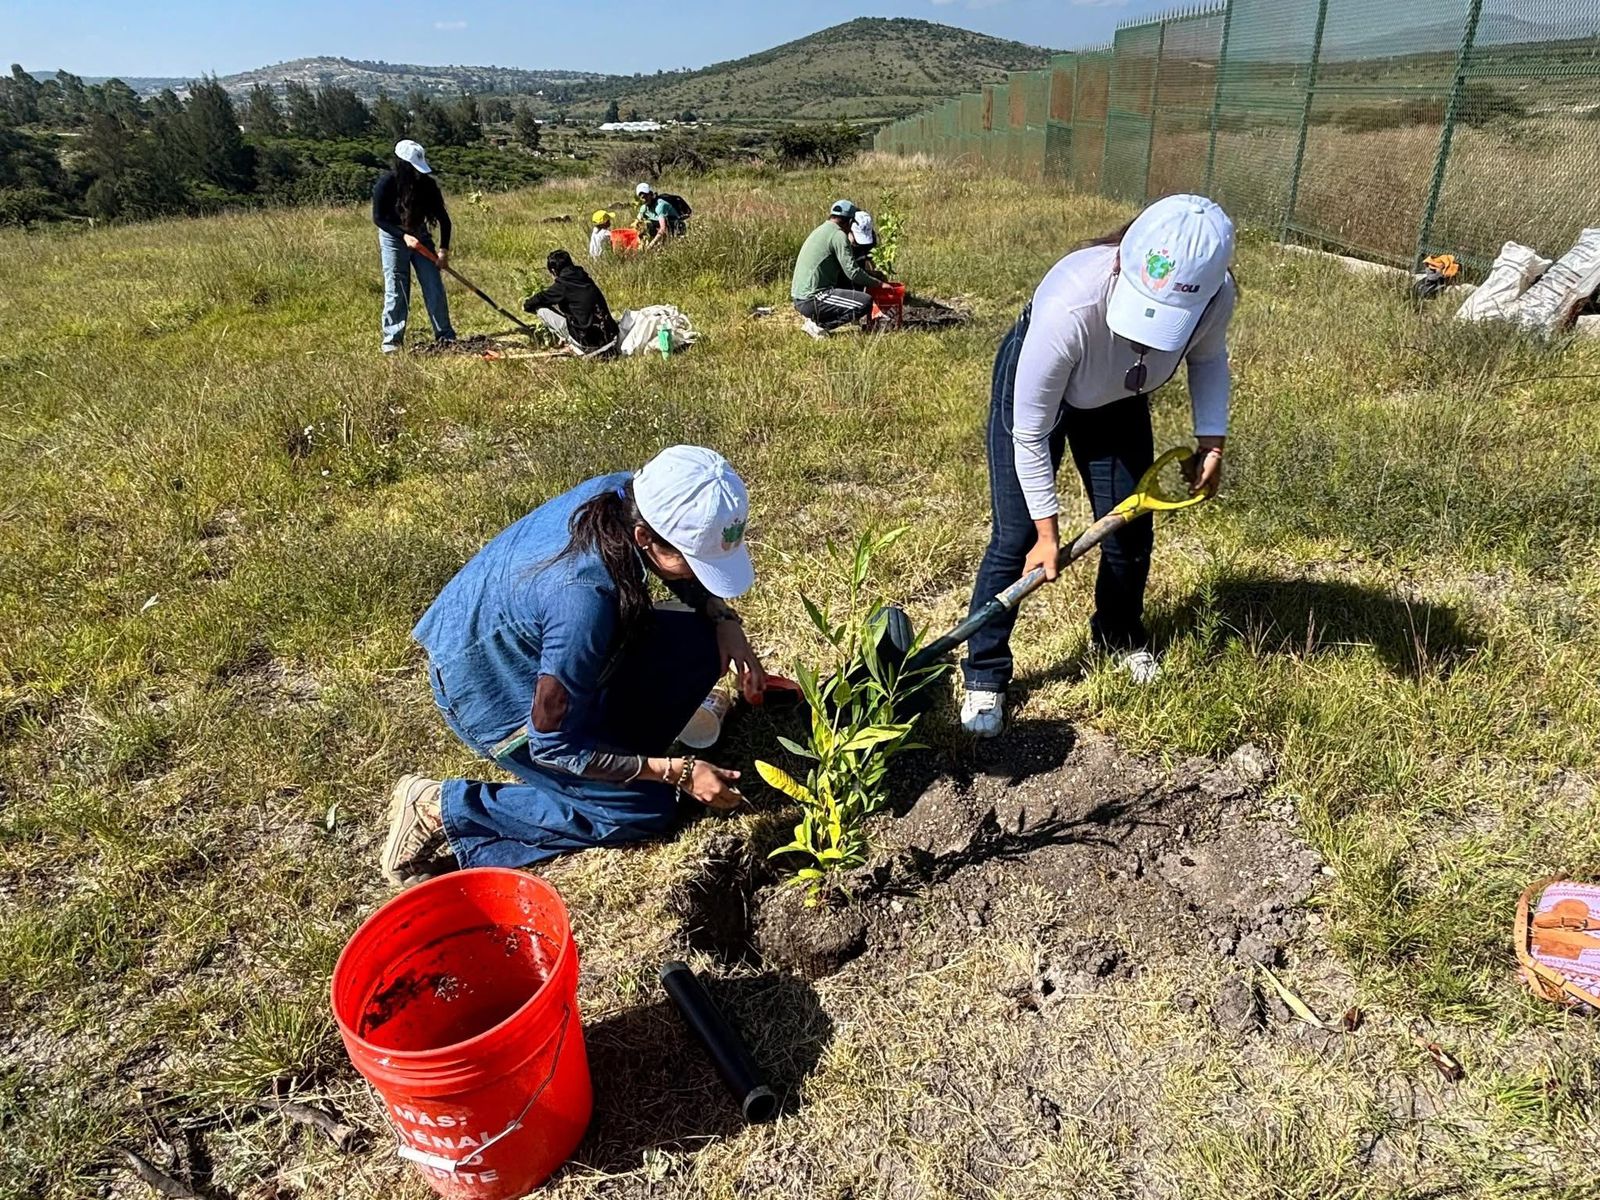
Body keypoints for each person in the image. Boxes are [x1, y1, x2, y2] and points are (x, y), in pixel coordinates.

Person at [383, 446, 768, 883]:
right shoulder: (582, 601)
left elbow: (686, 585)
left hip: (529, 638)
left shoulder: (629, 496)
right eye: (693, 562)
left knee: (702, 642)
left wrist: (723, 620)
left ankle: (619, 742)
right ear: (645, 538)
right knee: (643, 810)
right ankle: (441, 808)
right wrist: (674, 772)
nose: (699, 577)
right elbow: (554, 746)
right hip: (490, 690)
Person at [959, 194, 1237, 738]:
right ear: (1121, 262)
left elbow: (1207, 359)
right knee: (1014, 538)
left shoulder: (1216, 296)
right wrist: (1047, 529)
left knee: (1130, 529)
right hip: (1050, 393)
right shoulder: (1069, 306)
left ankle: (1118, 634)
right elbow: (1030, 431)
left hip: (1118, 399)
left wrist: (1213, 443)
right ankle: (985, 672)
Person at [371, 139, 457, 353]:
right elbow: (379, 218)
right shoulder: (386, 184)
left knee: (433, 284)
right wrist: (403, 237)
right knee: (397, 288)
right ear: (402, 165)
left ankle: (445, 336)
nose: (416, 173)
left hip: (420, 235)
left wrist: (443, 251)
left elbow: (444, 220)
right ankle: (392, 341)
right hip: (393, 237)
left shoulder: (427, 186)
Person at [790, 200, 877, 338]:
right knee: (865, 302)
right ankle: (819, 325)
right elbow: (853, 272)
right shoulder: (838, 235)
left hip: (799, 296)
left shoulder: (822, 230)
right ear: (849, 222)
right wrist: (878, 283)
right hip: (812, 298)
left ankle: (816, 319)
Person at [521, 249, 621, 356]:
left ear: (554, 271)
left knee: (541, 310)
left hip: (587, 341)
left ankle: (575, 346)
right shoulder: (584, 277)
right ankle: (566, 340)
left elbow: (540, 298)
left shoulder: (563, 285)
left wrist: (525, 306)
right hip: (609, 334)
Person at [636, 182, 686, 249]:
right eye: (642, 197)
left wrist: (651, 245)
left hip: (675, 228)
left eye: (646, 195)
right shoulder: (643, 208)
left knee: (672, 247)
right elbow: (637, 224)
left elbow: (663, 229)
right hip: (661, 227)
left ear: (651, 194)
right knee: (646, 226)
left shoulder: (660, 206)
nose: (644, 199)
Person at [849, 210, 889, 284]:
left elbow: (870, 259)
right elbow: (849, 272)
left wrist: (875, 274)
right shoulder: (841, 242)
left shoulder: (871, 238)